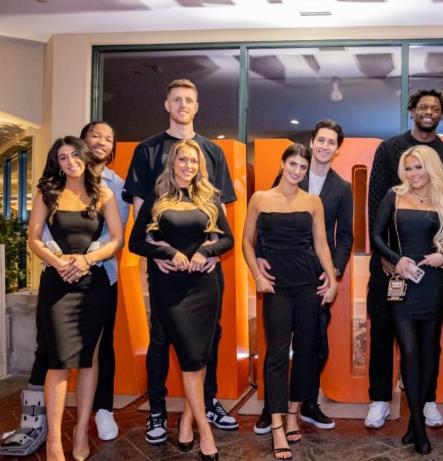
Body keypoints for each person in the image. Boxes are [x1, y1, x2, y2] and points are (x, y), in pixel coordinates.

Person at [0, 122, 128, 457]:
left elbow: (117, 239)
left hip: (94, 285)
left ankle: (81, 432)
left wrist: (87, 260)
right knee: (57, 359)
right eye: (63, 157)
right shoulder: (48, 193)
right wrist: (59, 263)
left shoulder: (104, 193)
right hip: (57, 284)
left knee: (88, 359)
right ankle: (55, 441)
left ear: (84, 157)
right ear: (56, 163)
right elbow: (33, 239)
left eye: (75, 155)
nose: (70, 161)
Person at [122, 79, 238, 444]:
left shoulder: (212, 150)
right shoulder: (147, 149)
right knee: (160, 339)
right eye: (177, 99)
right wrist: (158, 252)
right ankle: (157, 411)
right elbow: (141, 211)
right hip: (166, 269)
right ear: (167, 104)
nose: (183, 105)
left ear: (197, 106)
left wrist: (212, 253)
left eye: (189, 100)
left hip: (205, 271)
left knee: (210, 337)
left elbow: (220, 215)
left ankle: (206, 403)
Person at [366, 89, 443, 429]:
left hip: (427, 269)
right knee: (383, 331)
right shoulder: (389, 149)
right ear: (412, 110)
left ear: (441, 114)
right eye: (423, 106)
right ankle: (380, 398)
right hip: (390, 262)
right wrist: (388, 256)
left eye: (435, 108)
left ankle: (427, 401)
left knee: (428, 342)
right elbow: (376, 204)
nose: (428, 112)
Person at [253, 120, 353, 434]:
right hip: (281, 272)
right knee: (278, 345)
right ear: (312, 142)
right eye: (321, 140)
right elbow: (264, 221)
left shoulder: (342, 188)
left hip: (316, 277)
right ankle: (272, 410)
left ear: (337, 149)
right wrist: (259, 255)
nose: (325, 146)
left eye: (331, 142)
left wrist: (333, 272)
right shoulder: (292, 171)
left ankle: (307, 404)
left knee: (314, 345)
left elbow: (344, 236)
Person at [242, 144, 338, 460]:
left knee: (307, 351)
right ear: (283, 164)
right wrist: (257, 274)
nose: (297, 170)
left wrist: (332, 279)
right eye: (292, 164)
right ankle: (277, 425)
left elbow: (321, 245)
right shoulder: (260, 199)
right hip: (276, 286)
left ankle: (294, 413)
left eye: (302, 166)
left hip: (308, 284)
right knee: (277, 353)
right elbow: (246, 241)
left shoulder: (312, 201)